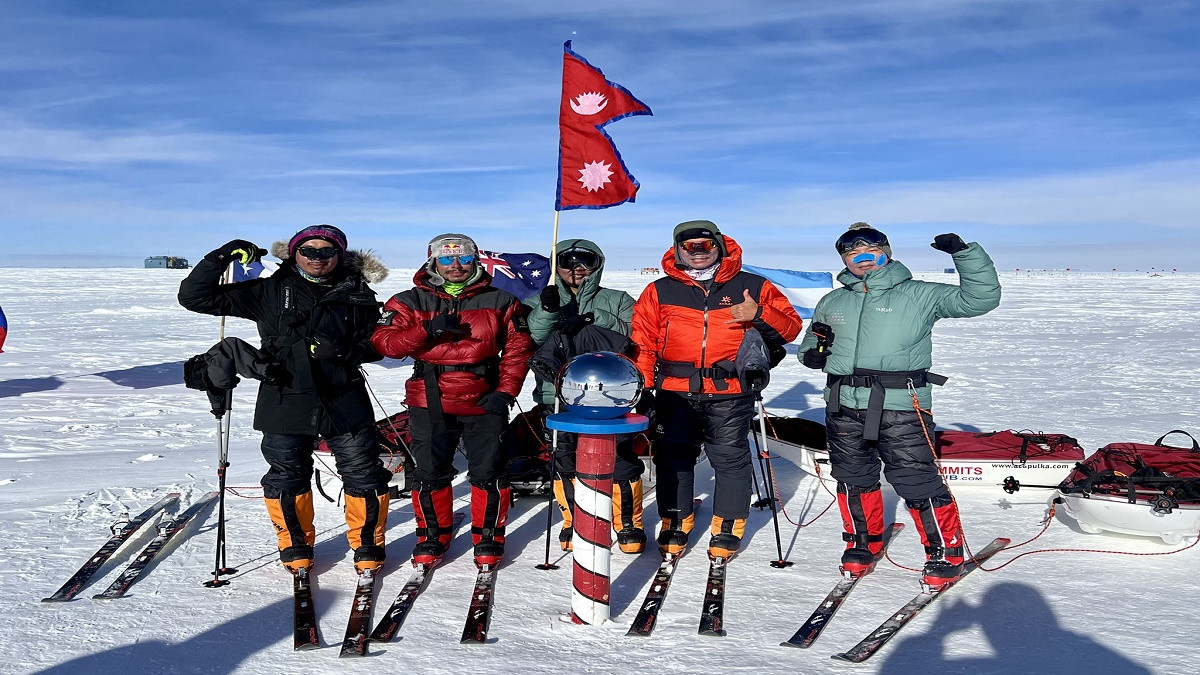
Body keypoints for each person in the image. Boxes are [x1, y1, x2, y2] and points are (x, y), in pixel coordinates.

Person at [178, 225, 392, 576]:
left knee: (364, 473)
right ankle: (295, 543)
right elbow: (195, 298)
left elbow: (379, 344)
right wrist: (219, 258)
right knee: (286, 475)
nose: (316, 258)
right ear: (293, 253)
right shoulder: (269, 289)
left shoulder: (359, 293)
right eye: (308, 250)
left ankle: (367, 543)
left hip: (344, 396)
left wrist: (348, 350)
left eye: (326, 252)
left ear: (340, 255)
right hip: (284, 395)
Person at [798, 222, 1001, 589]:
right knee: (852, 477)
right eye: (852, 253)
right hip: (843, 404)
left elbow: (980, 300)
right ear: (844, 258)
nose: (862, 258)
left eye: (870, 250)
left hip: (901, 403)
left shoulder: (918, 294)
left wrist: (964, 254)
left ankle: (944, 550)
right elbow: (812, 341)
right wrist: (811, 353)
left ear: (886, 253)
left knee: (915, 478)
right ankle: (864, 541)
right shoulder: (833, 301)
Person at [632, 220, 803, 561]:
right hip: (675, 391)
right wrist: (644, 389)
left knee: (730, 458)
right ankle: (676, 520)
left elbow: (791, 327)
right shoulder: (659, 290)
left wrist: (759, 313)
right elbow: (642, 341)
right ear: (677, 249)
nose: (697, 253)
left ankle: (728, 525)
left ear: (720, 247)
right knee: (674, 458)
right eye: (689, 246)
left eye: (705, 246)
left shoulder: (752, 285)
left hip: (731, 390)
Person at [371, 233, 534, 570]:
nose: (456, 265)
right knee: (429, 473)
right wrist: (426, 331)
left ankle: (488, 535)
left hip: (484, 396)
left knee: (489, 472)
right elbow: (386, 344)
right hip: (430, 398)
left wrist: (505, 392)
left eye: (463, 258)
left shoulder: (502, 299)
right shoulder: (408, 300)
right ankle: (433, 534)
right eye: (446, 259)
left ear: (476, 261)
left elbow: (518, 350)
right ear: (433, 262)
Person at [524, 239, 645, 553]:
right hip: (558, 394)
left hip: (611, 395)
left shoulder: (617, 299)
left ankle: (626, 522)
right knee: (564, 459)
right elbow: (532, 339)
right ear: (556, 265)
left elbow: (637, 335)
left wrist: (594, 319)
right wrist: (548, 311)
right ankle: (575, 519)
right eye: (567, 261)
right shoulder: (542, 299)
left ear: (597, 265)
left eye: (584, 261)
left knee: (620, 459)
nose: (575, 269)